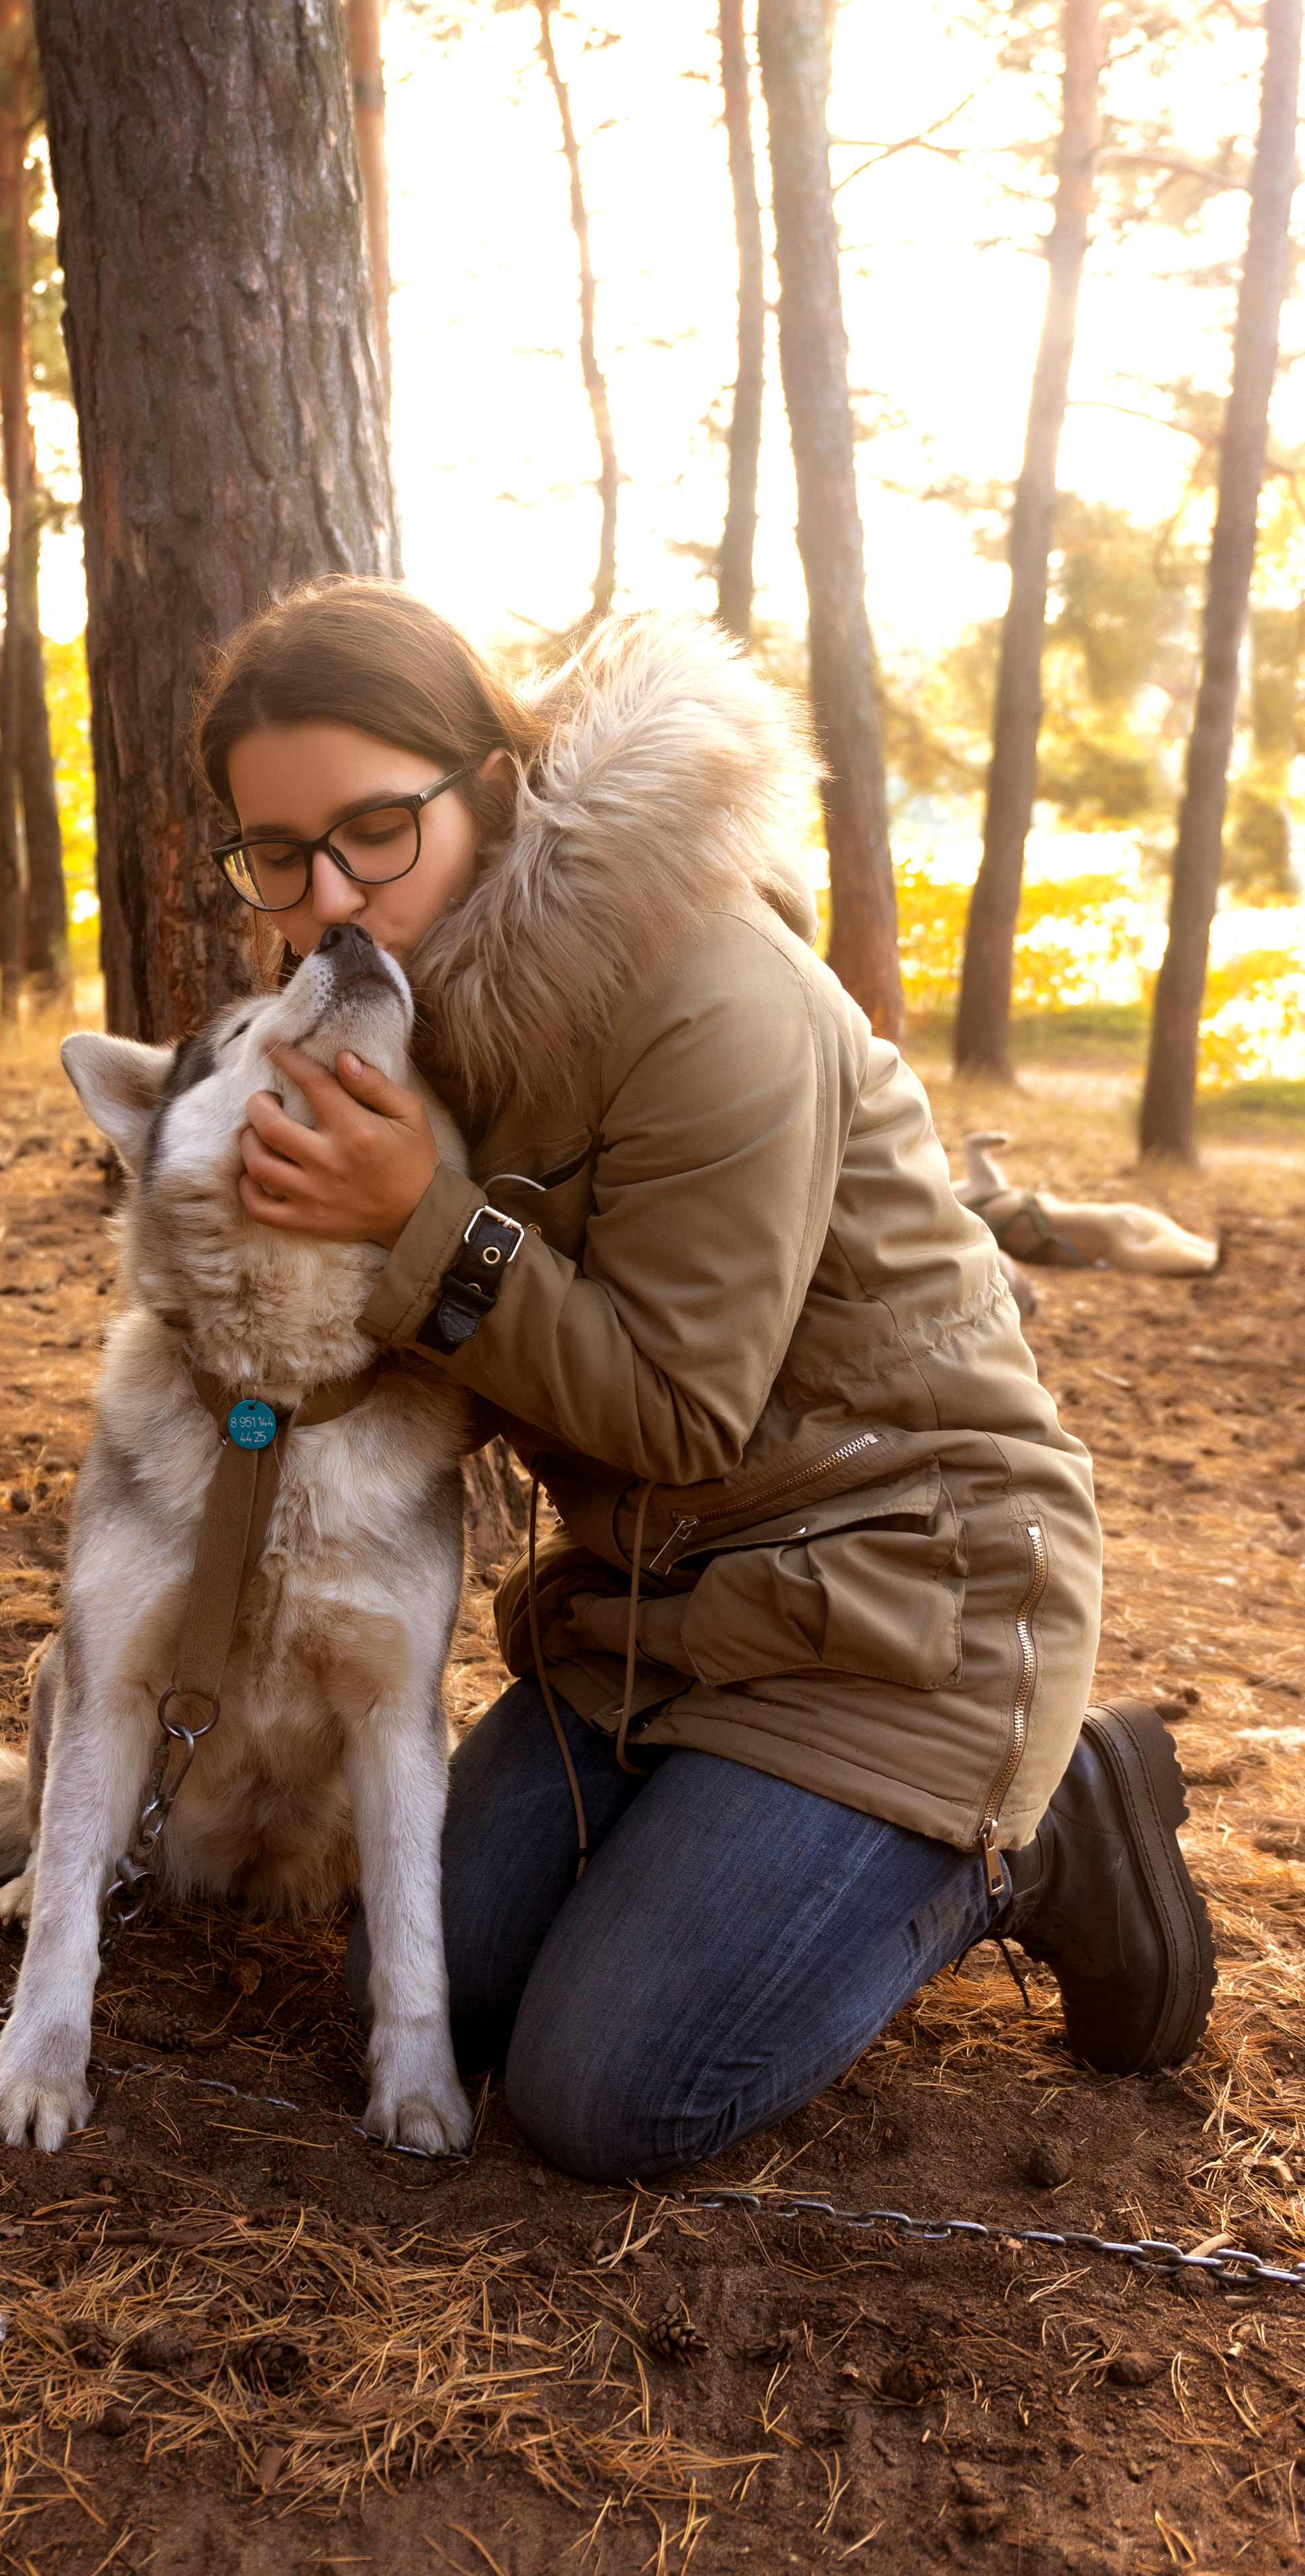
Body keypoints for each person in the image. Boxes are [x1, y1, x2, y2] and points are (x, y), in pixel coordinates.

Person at [189, 578, 1215, 2186]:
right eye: (277, 853)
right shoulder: (408, 1024)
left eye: (375, 829)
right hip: (653, 1616)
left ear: (495, 785)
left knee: (609, 2094)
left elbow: (677, 1411)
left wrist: (413, 1225)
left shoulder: (703, 992)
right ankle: (719, 1849)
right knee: (419, 1989)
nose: (327, 897)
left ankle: (1047, 1823)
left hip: (904, 1605)